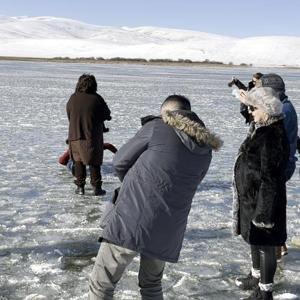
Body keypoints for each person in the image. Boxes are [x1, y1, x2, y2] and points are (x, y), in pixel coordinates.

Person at [89, 95, 223, 299]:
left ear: (166, 113)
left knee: (102, 284)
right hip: (168, 227)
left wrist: (135, 185)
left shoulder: (157, 127)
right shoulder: (205, 147)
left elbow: (119, 162)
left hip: (131, 217)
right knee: (151, 285)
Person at [233, 86, 290, 300]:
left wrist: (264, 213)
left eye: (253, 108)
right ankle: (256, 278)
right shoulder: (262, 128)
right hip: (252, 198)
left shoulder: (273, 135)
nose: (250, 112)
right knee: (255, 241)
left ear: (266, 109)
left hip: (264, 202)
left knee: (265, 244)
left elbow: (271, 177)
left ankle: (265, 293)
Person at [66, 74, 111, 196]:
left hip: (74, 136)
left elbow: (69, 115)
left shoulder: (72, 98)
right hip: (91, 137)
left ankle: (80, 188)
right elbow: (107, 114)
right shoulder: (96, 98)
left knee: (78, 162)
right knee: (94, 162)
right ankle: (96, 188)